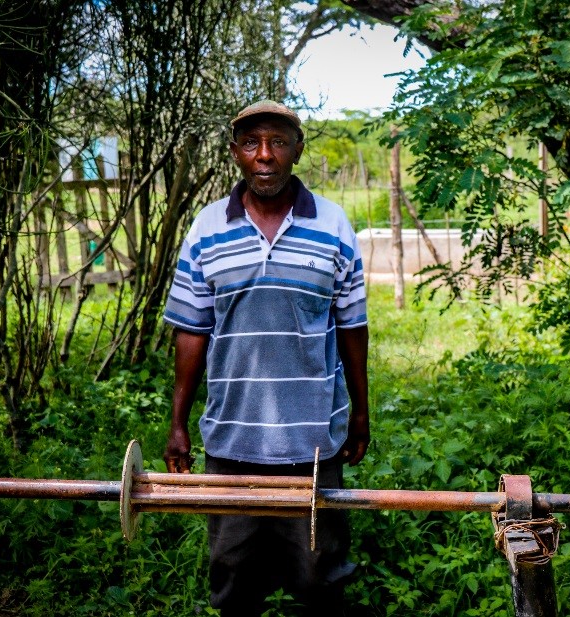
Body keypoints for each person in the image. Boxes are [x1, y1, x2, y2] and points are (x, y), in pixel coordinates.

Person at [162, 99, 370, 616]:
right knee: (233, 581)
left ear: (297, 150)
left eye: (278, 142)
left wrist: (362, 413)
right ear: (235, 153)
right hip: (232, 443)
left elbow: (352, 326)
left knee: (320, 579)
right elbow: (191, 331)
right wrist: (178, 422)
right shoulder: (207, 229)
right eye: (252, 143)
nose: (265, 155)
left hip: (313, 444)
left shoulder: (334, 225)